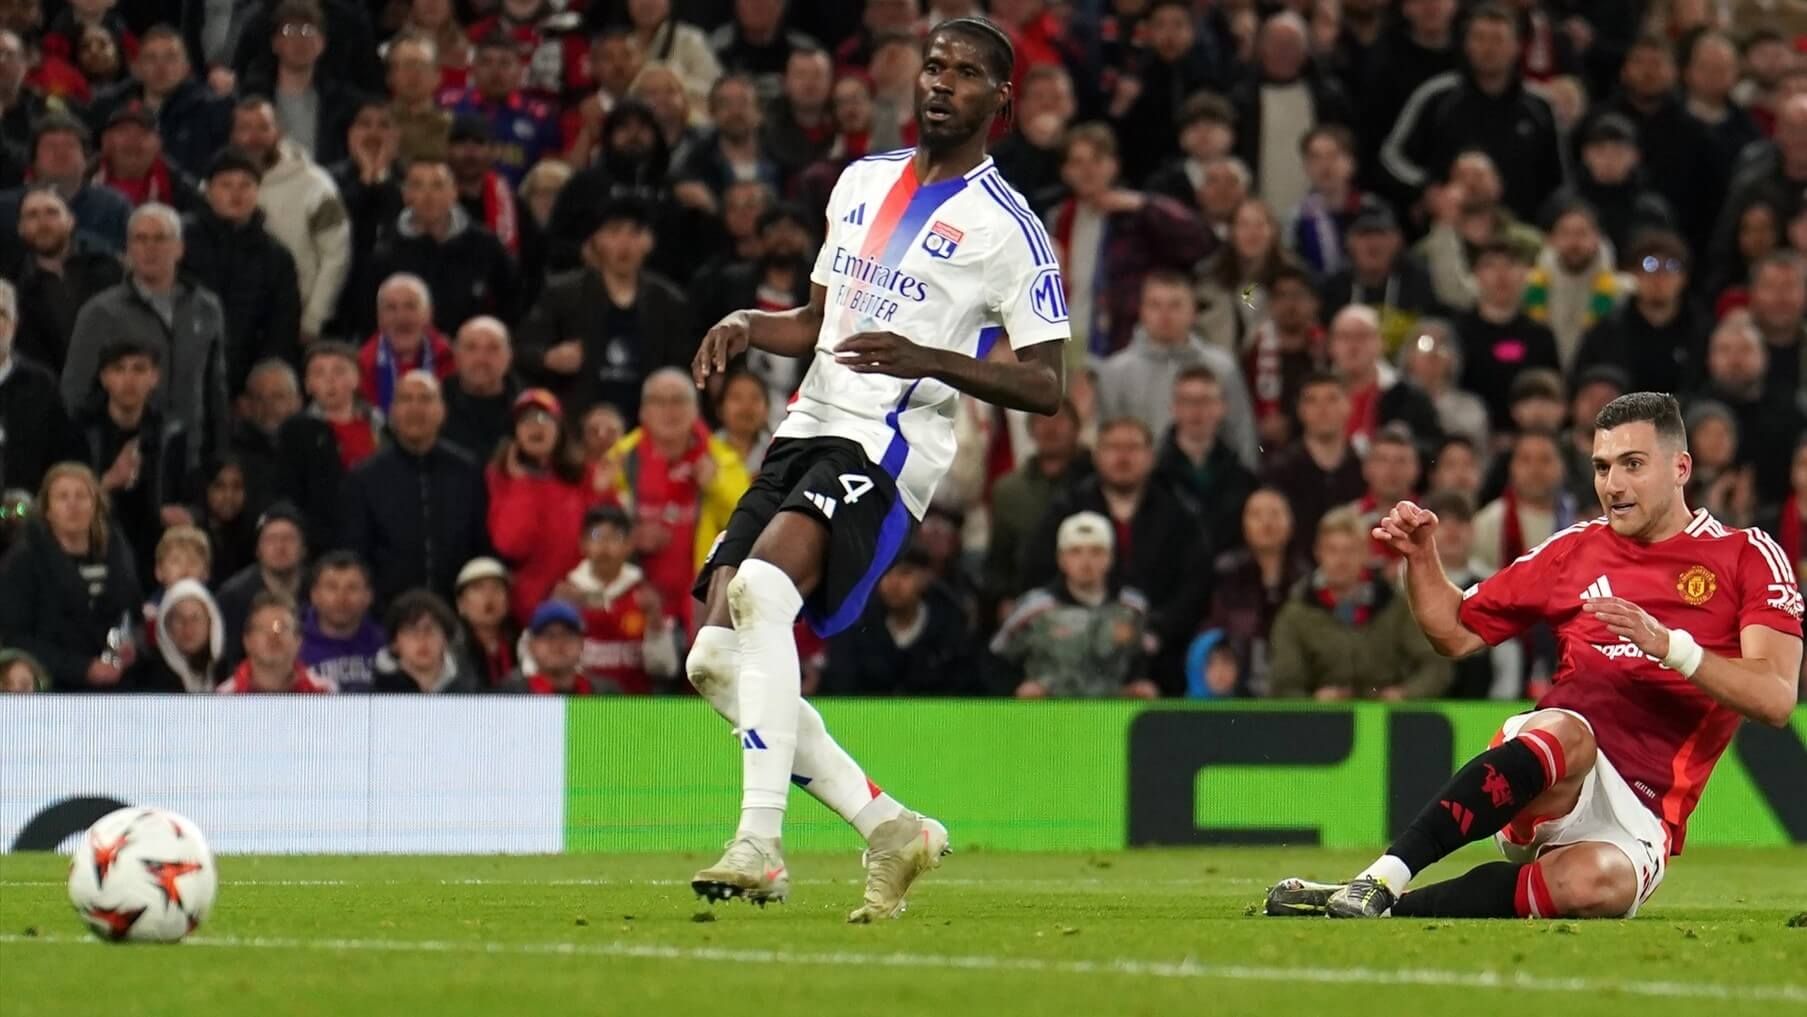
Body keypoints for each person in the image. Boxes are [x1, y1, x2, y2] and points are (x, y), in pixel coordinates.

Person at [682, 17, 1066, 919]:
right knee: (709, 657)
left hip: (888, 448)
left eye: (966, 74)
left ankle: (759, 842)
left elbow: (1045, 385)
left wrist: (930, 358)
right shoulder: (858, 182)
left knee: (762, 594)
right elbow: (819, 325)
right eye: (935, 65)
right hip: (803, 429)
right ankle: (889, 826)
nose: (942, 83)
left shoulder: (1008, 229)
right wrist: (748, 320)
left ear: (998, 101)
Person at [1267, 393, 1801, 920]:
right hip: (1553, 768)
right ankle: (1383, 875)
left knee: (1597, 888)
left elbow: (1775, 698)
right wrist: (1422, 560)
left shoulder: (1746, 555)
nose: (1613, 485)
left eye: (1632, 465)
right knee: (1573, 735)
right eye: (1601, 467)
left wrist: (1672, 648)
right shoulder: (1575, 548)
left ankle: (1378, 904)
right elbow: (1455, 631)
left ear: (1680, 467)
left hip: (1644, 811)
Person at [1022, 417, 1211, 694]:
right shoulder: (1066, 507)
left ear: (1151, 456)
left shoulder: (1178, 514)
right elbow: (1036, 573)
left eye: (1133, 447)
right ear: (1097, 455)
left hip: (1160, 658)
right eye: (1113, 447)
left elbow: (1195, 586)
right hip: (1072, 657)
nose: (1123, 457)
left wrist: (1154, 631)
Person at [61, 203, 228, 470]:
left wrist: (220, 456)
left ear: (179, 248)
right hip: (122, 460)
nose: (150, 248)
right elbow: (75, 393)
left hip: (192, 460)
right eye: (140, 239)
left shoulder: (207, 308)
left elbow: (215, 391)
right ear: (127, 250)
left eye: (160, 238)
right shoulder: (100, 312)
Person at [1378, 4, 1566, 225]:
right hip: (1447, 228)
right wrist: (1427, 188)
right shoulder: (1436, 97)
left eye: (1498, 40)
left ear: (1517, 46)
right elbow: (1392, 156)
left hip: (1520, 236)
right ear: (1466, 44)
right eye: (1479, 38)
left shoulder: (1540, 107)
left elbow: (1560, 180)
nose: (1488, 48)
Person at [1043, 122, 1213, 355]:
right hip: (1069, 335)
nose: (1087, 170)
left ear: (1113, 166)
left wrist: (1145, 205)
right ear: (1065, 171)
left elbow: (1199, 240)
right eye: (1078, 162)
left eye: (1097, 160)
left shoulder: (1136, 216)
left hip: (1124, 340)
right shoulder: (1057, 218)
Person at [518, 195, 690, 422]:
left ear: (650, 242)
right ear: (597, 239)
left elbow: (683, 367)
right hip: (579, 425)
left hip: (646, 430)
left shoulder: (668, 302)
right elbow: (522, 349)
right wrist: (548, 358)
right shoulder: (563, 293)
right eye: (614, 232)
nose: (624, 244)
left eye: (635, 233)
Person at [608, 368, 749, 636]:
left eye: (678, 401)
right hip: (634, 600)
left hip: (702, 601)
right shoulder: (619, 460)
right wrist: (628, 539)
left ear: (695, 409)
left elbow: (748, 525)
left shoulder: (723, 460)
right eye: (659, 402)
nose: (669, 411)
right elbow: (592, 530)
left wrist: (715, 486)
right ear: (642, 412)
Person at [1267, 506, 1451, 700]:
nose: (1341, 560)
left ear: (1365, 554)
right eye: (1332, 550)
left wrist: (1405, 695)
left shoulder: (1395, 605)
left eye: (1350, 550)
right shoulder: (1296, 614)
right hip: (1322, 721)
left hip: (1387, 718)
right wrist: (1314, 702)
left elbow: (1435, 665)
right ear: (1318, 553)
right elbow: (1283, 683)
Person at [342, 370, 491, 608]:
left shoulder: (468, 471)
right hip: (388, 613)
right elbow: (358, 554)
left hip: (458, 610)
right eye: (406, 400)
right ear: (392, 412)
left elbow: (480, 544)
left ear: (442, 411)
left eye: (425, 399)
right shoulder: (365, 477)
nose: (415, 409)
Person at [1093, 271, 1257, 470]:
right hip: (1140, 488)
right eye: (1155, 305)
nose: (1165, 315)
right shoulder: (1115, 372)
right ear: (1142, 311)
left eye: (1175, 305)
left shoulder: (1222, 367)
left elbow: (1241, 434)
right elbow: (1105, 439)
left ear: (1193, 311)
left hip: (1210, 485)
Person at [0, 463, 143, 690]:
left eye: (81, 496)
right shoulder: (24, 561)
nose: (72, 504)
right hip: (54, 685)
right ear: (47, 509)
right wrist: (82, 668)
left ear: (95, 504)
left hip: (118, 683)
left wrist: (133, 645)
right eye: (62, 497)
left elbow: (135, 615)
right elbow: (16, 638)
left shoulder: (118, 553)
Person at [179, 146, 302, 396]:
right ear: (209, 191)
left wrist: (258, 384)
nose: (236, 193)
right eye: (226, 185)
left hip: (246, 382)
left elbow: (282, 327)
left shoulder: (276, 256)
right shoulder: (179, 242)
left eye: (246, 185)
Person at [991, 510, 1154, 699]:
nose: (1086, 562)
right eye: (1075, 551)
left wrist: (1139, 684)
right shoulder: (1034, 608)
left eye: (1096, 551)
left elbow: (1144, 657)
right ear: (1061, 559)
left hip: (1112, 717)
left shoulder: (1132, 608)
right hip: (1047, 716)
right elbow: (996, 658)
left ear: (1110, 558)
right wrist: (1016, 687)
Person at [229, 95, 350, 344]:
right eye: (245, 128)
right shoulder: (214, 184)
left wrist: (313, 319)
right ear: (232, 134)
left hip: (295, 323)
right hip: (236, 323)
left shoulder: (315, 185)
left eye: (263, 127)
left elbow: (337, 255)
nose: (253, 138)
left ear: (279, 132)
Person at [74, 334, 190, 581]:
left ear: (154, 377)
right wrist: (107, 482)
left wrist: (185, 514)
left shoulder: (171, 432)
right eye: (119, 369)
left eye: (139, 369)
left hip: (156, 547)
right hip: (94, 543)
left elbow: (189, 493)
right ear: (104, 378)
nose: (129, 379)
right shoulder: (81, 430)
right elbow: (63, 494)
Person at [487, 388, 601, 625]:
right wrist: (523, 485)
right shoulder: (502, 478)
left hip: (584, 598)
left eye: (544, 419)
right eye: (526, 420)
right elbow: (511, 545)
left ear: (560, 429)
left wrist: (582, 580)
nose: (535, 427)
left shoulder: (584, 475)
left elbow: (602, 531)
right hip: (528, 611)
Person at [982, 397, 1089, 620]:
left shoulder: (1095, 484)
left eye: (1059, 420)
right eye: (1042, 419)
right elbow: (999, 556)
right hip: (1027, 599)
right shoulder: (1008, 490)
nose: (1051, 427)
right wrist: (1002, 597)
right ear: (1031, 430)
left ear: (1077, 428)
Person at [555, 504, 679, 693]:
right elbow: (535, 663)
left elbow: (666, 668)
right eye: (597, 536)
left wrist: (655, 621)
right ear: (583, 543)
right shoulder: (565, 594)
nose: (605, 545)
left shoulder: (645, 594)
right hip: (580, 708)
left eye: (615, 537)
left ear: (630, 544)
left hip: (633, 710)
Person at [1571, 230, 1702, 396]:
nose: (1659, 277)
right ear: (1633, 274)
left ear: (1684, 277)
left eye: (1671, 266)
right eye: (1649, 265)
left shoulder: (1701, 329)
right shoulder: (1606, 331)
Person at [1206, 488, 1309, 696]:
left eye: (1275, 514)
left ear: (1291, 523)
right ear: (1243, 524)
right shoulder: (1224, 573)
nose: (1267, 523)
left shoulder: (1306, 578)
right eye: (1257, 515)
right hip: (1235, 685)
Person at [11, 185, 122, 376]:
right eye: (32, 215)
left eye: (52, 213)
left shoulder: (108, 268)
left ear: (70, 220)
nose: (43, 223)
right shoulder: (15, 289)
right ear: (20, 228)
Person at [1454, 240, 1562, 432]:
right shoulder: (1458, 333)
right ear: (1476, 275)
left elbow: (1552, 395)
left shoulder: (1541, 336)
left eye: (1510, 265)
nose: (1501, 275)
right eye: (1490, 266)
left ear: (1525, 274)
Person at [1260, 372, 1365, 560]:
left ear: (1348, 406)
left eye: (1332, 399)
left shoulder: (1364, 469)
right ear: (1300, 410)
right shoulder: (1280, 470)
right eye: (1312, 401)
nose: (1322, 409)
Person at [0, 275, 84, 495]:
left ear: (15, 324)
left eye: (2, 314)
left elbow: (63, 459)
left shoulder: (42, 386)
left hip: (32, 520)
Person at [1156, 364, 1253, 547]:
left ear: (1222, 408)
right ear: (1174, 408)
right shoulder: (1153, 477)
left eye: (1205, 401)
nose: (1196, 410)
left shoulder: (1242, 479)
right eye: (1187, 401)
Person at [356, 273, 456, 415]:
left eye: (410, 306)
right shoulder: (359, 369)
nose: (401, 317)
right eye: (391, 308)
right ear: (379, 318)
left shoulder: (453, 363)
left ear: (429, 314)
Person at [215, 590, 337, 693]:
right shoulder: (225, 696)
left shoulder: (324, 692)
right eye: (262, 628)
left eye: (282, 628)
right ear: (247, 641)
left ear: (298, 640)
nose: (273, 636)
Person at [298, 549, 382, 692]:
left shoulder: (384, 645)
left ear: (368, 596)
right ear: (314, 595)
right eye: (331, 587)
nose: (341, 598)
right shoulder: (292, 647)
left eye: (352, 588)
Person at [441, 315, 520, 461]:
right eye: (471, 348)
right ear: (456, 355)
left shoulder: (528, 408)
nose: (481, 359)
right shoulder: (432, 404)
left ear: (509, 356)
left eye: (493, 348)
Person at [372, 589, 476, 693]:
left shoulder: (468, 689)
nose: (421, 638)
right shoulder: (375, 691)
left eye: (429, 630)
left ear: (445, 639)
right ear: (395, 643)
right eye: (411, 631)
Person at [138, 577, 226, 692]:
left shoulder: (228, 673)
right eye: (179, 619)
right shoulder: (146, 679)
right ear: (166, 626)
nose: (188, 628)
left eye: (195, 618)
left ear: (211, 623)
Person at [303, 341, 382, 468]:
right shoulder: (299, 432)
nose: (330, 380)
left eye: (339, 371)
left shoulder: (380, 424)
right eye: (319, 373)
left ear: (358, 379)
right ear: (308, 384)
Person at [499, 598, 589, 693]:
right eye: (548, 635)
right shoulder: (504, 698)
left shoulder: (603, 695)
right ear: (531, 645)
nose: (557, 644)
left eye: (567, 635)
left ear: (581, 643)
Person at [454, 556, 517, 687]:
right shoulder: (451, 652)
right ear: (461, 604)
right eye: (478, 588)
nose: (489, 596)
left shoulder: (523, 647)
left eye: (497, 588)